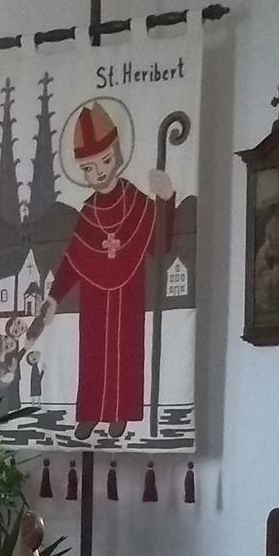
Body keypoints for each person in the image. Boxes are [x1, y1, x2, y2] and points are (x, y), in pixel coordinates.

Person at [42, 101, 175, 439]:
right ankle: (90, 413)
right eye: (89, 167)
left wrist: (166, 199)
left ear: (116, 154)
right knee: (94, 353)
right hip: (96, 299)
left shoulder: (136, 201)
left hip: (128, 293)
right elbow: (73, 260)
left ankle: (122, 413)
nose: (99, 172)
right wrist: (54, 298)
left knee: (126, 351)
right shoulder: (88, 213)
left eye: (104, 160)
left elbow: (160, 246)